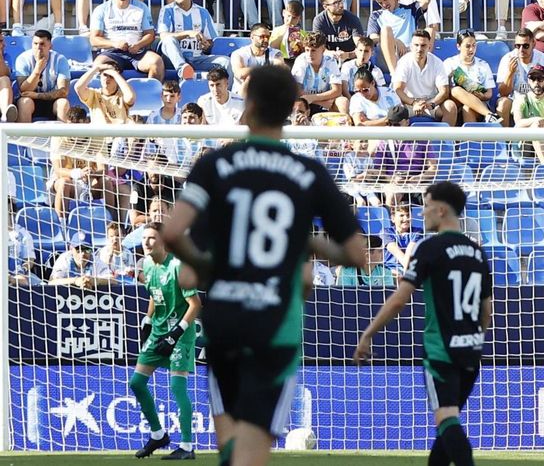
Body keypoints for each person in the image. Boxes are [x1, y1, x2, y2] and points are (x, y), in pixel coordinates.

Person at [160, 66, 367, 466]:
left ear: (247, 105)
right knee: (251, 453)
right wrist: (302, 241)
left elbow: (172, 234)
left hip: (225, 317)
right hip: (276, 322)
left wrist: (209, 265)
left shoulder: (214, 165)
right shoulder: (309, 173)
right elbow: (357, 255)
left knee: (230, 448)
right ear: (291, 109)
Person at [354, 181, 490, 466]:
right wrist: (472, 339)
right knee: (447, 424)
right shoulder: (478, 253)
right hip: (471, 351)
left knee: (446, 419)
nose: (421, 213)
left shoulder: (430, 249)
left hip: (441, 350)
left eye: (426, 206)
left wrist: (368, 334)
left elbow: (399, 300)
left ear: (441, 210)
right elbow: (485, 309)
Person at [128, 224, 201, 460]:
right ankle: (158, 435)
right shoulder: (147, 265)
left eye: (152, 238)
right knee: (137, 383)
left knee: (177, 387)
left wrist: (176, 334)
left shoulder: (180, 266)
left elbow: (195, 305)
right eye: (144, 238)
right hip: (159, 331)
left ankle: (187, 447)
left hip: (180, 333)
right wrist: (147, 319)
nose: (146, 242)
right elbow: (154, 294)